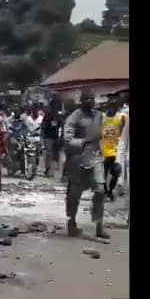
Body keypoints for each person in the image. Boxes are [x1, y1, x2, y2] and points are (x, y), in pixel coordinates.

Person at [64, 89, 108, 239]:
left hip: (95, 157)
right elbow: (67, 139)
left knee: (100, 190)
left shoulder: (99, 115)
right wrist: (84, 141)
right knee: (74, 195)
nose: (91, 102)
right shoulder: (74, 117)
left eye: (92, 99)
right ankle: (72, 221)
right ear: (82, 101)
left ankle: (98, 224)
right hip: (78, 159)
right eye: (88, 99)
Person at [101, 100, 127, 201]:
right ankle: (105, 192)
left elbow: (123, 130)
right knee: (103, 174)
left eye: (114, 106)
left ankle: (110, 191)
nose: (112, 108)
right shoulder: (102, 118)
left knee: (115, 173)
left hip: (114, 150)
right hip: (103, 149)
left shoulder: (120, 117)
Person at [41, 106, 64, 177]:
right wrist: (43, 136)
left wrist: (60, 136)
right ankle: (48, 169)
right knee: (49, 153)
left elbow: (61, 127)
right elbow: (43, 127)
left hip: (56, 137)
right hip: (48, 137)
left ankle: (55, 169)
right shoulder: (47, 117)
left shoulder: (59, 118)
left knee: (56, 154)